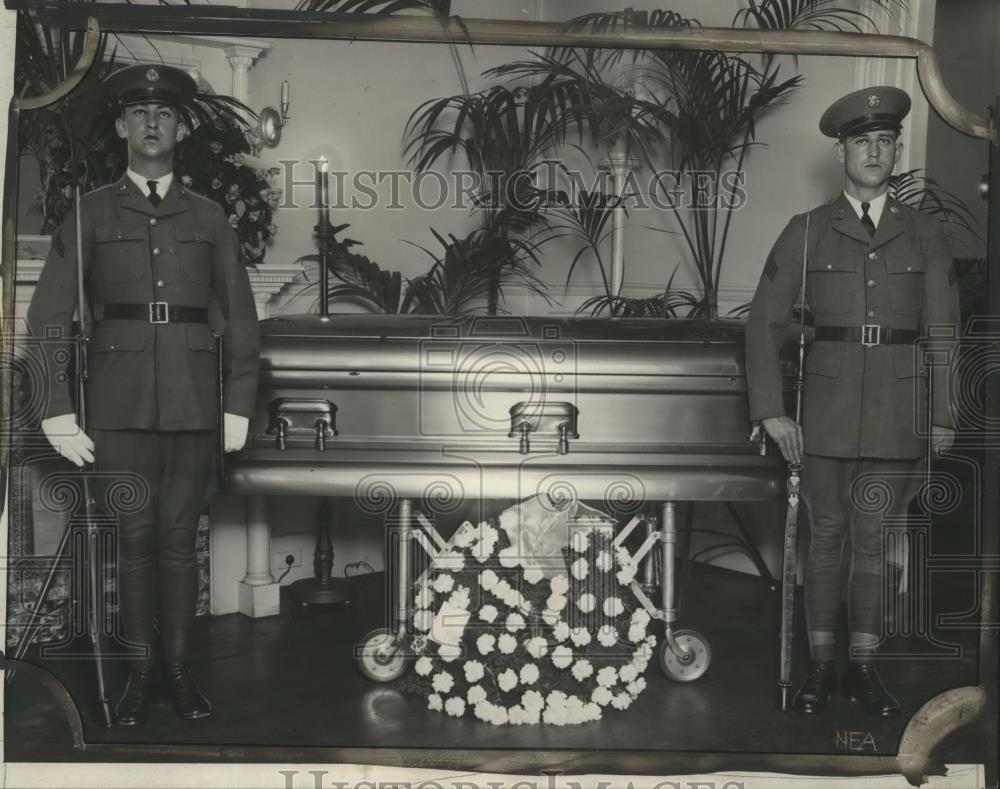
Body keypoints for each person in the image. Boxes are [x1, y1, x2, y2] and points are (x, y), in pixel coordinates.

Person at [27, 64, 260, 725]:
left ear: (180, 129)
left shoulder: (211, 218)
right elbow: (48, 317)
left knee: (181, 541)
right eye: (140, 113)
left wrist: (237, 402)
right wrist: (56, 408)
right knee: (133, 540)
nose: (153, 122)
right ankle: (137, 677)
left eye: (165, 113)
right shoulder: (89, 212)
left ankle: (180, 676)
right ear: (122, 126)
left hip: (194, 401)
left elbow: (240, 316)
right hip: (118, 404)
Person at [745, 86, 959, 717]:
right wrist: (771, 411)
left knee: (874, 539)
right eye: (862, 141)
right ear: (842, 151)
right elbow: (762, 325)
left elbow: (944, 328)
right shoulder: (806, 232)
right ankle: (820, 669)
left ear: (896, 151)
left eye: (885, 142)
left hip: (898, 411)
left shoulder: (924, 234)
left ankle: (863, 670)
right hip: (826, 416)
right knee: (829, 535)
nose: (875, 152)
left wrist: (943, 413)